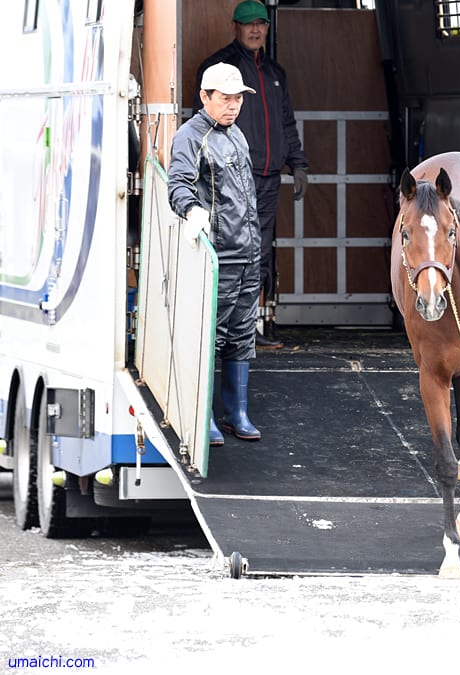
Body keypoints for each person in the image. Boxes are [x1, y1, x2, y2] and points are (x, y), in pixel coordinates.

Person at [194, 0, 309, 348]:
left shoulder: (275, 74)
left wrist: (298, 163)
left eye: (261, 23)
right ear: (235, 28)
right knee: (229, 250)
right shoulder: (218, 69)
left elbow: (286, 122)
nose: (255, 29)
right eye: (248, 24)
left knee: (259, 253)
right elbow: (204, 124)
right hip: (231, 178)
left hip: (269, 177)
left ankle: (248, 330)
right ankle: (216, 329)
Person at [169, 62, 263, 447]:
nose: (233, 105)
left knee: (242, 334)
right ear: (205, 96)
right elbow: (179, 183)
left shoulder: (237, 134)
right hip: (219, 254)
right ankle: (203, 413)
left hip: (249, 252)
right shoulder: (190, 136)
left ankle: (236, 412)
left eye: (238, 97)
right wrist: (191, 211)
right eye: (225, 98)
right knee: (213, 335)